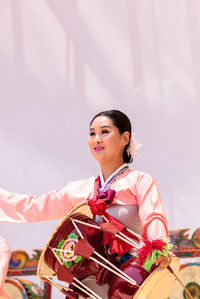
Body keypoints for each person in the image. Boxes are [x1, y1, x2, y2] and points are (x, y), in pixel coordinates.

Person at [0, 110, 172, 296]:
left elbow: (153, 216)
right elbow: (33, 207)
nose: (97, 139)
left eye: (104, 132)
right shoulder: (79, 189)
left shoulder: (139, 181)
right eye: (92, 134)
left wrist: (158, 246)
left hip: (129, 281)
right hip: (88, 287)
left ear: (124, 138)